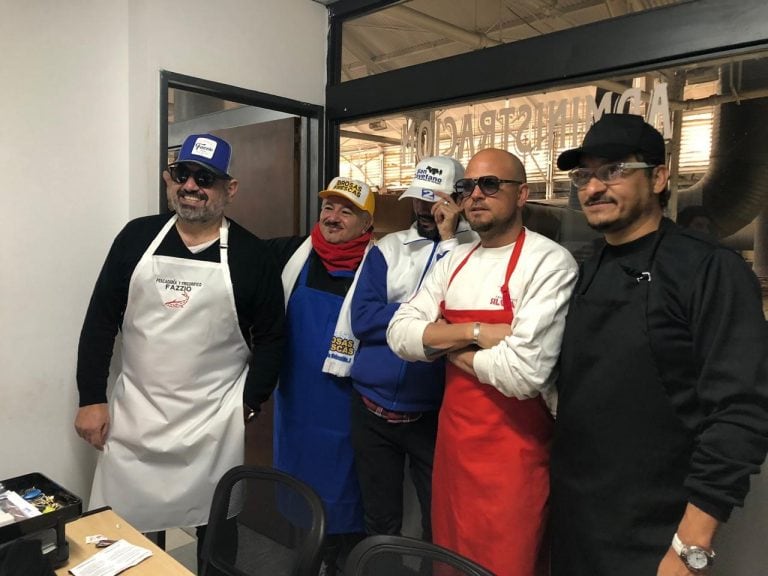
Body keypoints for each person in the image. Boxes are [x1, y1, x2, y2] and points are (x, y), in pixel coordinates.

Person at [550, 113, 768, 576]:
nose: (593, 187)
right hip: (576, 522)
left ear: (660, 177)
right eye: (584, 175)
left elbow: (741, 413)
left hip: (656, 536)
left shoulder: (709, 269)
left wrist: (690, 547)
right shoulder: (587, 268)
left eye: (614, 171)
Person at [74, 134, 285, 562]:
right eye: (182, 174)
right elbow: (100, 321)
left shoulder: (251, 255)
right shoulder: (136, 238)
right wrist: (91, 397)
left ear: (230, 189)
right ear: (169, 179)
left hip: (213, 422)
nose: (190, 186)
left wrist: (249, 401)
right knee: (121, 533)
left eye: (205, 178)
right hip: (136, 417)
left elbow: (273, 338)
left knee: (216, 532)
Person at [387, 148, 578, 575]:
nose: (475, 195)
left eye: (490, 184)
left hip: (515, 460)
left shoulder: (548, 262)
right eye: (467, 186)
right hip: (453, 451)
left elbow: (523, 375)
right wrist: (474, 334)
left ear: (522, 194)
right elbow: (399, 335)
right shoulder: (453, 259)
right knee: (449, 561)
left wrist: (442, 344)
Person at [349, 156, 476, 545]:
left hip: (432, 413)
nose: (423, 209)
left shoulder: (474, 250)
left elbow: (463, 321)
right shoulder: (389, 248)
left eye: (433, 200)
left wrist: (450, 239)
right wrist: (424, 319)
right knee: (380, 518)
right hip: (371, 406)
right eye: (417, 199)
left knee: (438, 520)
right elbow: (363, 319)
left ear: (456, 199)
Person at [267, 177, 375, 575]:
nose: (333, 217)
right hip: (298, 406)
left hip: (349, 409)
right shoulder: (292, 253)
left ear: (366, 224)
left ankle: (343, 563)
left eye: (347, 211)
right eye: (329, 207)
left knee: (349, 504)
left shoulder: (380, 266)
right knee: (303, 502)